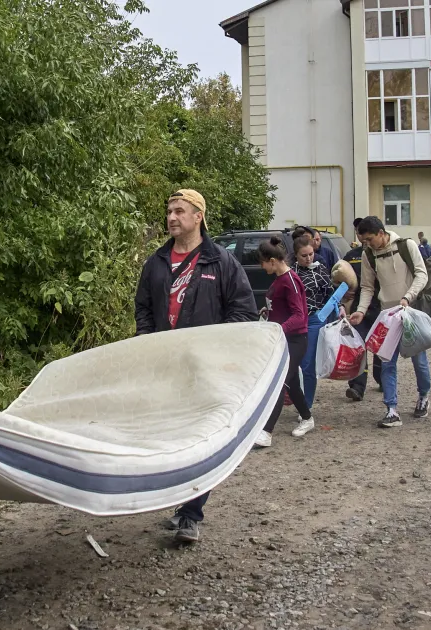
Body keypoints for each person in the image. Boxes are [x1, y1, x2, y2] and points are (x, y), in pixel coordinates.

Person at [134, 189, 258, 544]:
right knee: (171, 435)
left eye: (179, 211)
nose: (171, 217)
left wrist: (215, 348)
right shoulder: (156, 261)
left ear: (198, 216)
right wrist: (147, 340)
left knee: (201, 437)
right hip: (166, 365)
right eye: (169, 211)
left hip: (205, 368)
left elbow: (243, 312)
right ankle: (178, 503)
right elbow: (143, 306)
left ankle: (190, 514)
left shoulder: (221, 262)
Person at [349, 216, 431, 428]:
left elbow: (422, 275)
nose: (366, 243)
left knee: (418, 362)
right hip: (387, 315)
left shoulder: (407, 245)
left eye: (369, 239)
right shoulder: (369, 255)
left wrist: (408, 297)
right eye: (363, 240)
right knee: (386, 363)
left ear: (381, 233)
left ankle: (423, 396)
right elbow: (367, 287)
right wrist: (360, 311)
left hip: (410, 312)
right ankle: (391, 409)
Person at [256, 236, 315, 445]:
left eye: (262, 263)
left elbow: (299, 315)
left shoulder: (290, 281)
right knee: (290, 381)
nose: (262, 268)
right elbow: (281, 307)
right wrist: (268, 312)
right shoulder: (279, 279)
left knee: (280, 381)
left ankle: (266, 431)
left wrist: (279, 328)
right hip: (284, 339)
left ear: (272, 260)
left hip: (296, 340)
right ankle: (307, 418)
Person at [341, 219, 381, 401]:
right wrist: (344, 297)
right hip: (360, 309)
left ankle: (382, 378)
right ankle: (357, 387)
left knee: (381, 347)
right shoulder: (350, 256)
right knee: (359, 346)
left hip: (381, 307)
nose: (361, 237)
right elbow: (340, 278)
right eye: (358, 232)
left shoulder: (381, 254)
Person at [293, 234, 335, 410]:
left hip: (314, 320)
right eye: (304, 255)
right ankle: (296, 398)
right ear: (296, 255)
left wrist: (337, 309)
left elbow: (330, 295)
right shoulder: (291, 272)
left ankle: (306, 405)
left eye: (311, 254)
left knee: (308, 364)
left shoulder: (320, 269)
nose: (309, 258)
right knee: (295, 365)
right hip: (294, 322)